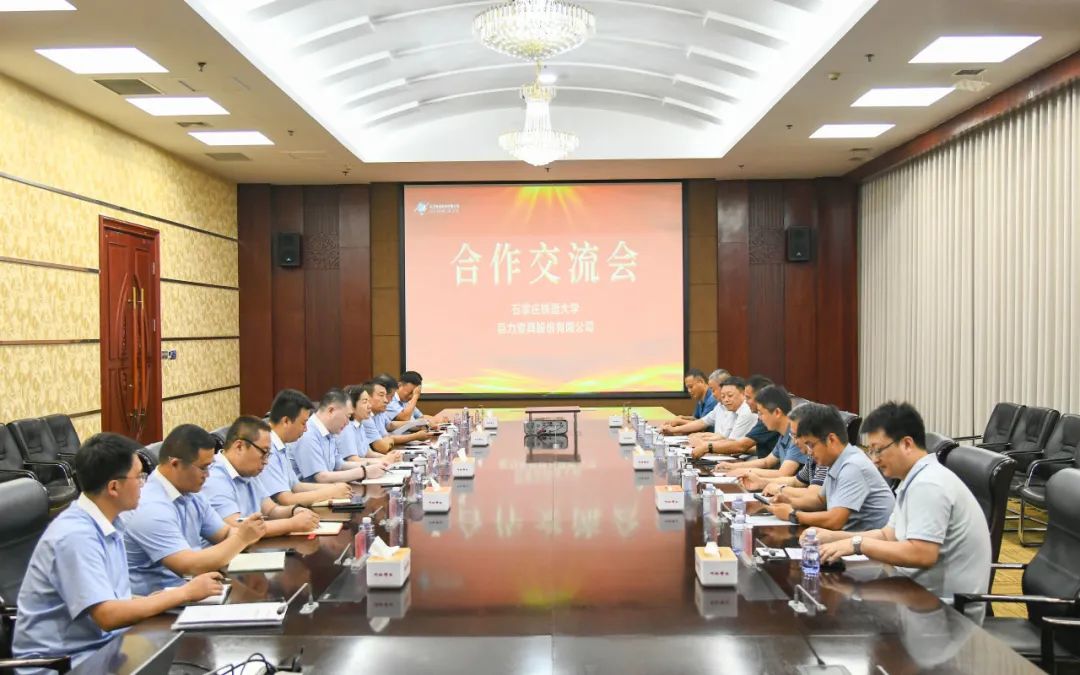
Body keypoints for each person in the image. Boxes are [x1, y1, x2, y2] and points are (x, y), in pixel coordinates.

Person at [12, 434, 223, 672]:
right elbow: (108, 616)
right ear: (114, 487)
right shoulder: (75, 536)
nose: (144, 484)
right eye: (139, 477)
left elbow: (114, 597)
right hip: (65, 663)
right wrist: (184, 593)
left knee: (192, 654)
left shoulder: (109, 523)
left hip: (105, 648)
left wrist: (163, 598)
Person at [814, 402, 991, 615]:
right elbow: (888, 535)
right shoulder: (915, 478)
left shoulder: (929, 484)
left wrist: (857, 544)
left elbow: (922, 554)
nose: (874, 460)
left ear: (907, 444)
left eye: (878, 450)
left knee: (844, 611)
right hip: (915, 594)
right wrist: (833, 538)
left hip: (944, 613)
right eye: (870, 451)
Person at [123, 424, 267, 595]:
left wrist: (246, 532)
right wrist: (242, 538)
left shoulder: (192, 493)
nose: (208, 475)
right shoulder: (151, 507)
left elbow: (224, 534)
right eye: (203, 468)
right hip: (159, 603)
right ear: (175, 464)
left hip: (193, 590)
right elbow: (189, 567)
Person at [766, 403, 895, 531]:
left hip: (864, 541)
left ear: (831, 440)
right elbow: (820, 501)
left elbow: (835, 520)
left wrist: (793, 515)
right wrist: (789, 502)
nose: (809, 452)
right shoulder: (836, 461)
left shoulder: (853, 466)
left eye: (811, 445)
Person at [202, 415, 321, 536]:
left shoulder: (248, 471)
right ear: (239, 447)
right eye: (264, 452)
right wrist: (291, 524)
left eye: (268, 454)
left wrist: (294, 510)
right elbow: (237, 527)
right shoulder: (213, 477)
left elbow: (271, 510)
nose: (266, 462)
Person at [260, 388, 357, 507]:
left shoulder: (281, 446)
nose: (306, 429)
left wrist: (335, 487)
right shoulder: (268, 448)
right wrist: (330, 492)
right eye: (303, 423)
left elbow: (296, 486)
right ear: (286, 421)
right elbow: (286, 499)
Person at [288, 388, 379, 483]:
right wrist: (363, 472)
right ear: (331, 410)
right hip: (311, 490)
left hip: (327, 488)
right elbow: (320, 477)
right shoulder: (308, 434)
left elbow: (339, 465)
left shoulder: (329, 433)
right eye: (347, 416)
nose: (348, 423)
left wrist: (370, 465)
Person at [715, 385, 807, 477]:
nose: (759, 417)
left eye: (761, 413)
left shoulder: (796, 436)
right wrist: (732, 466)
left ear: (777, 412)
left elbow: (783, 473)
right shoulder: (783, 435)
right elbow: (767, 461)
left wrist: (744, 472)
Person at [689, 375, 780, 459]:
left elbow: (740, 446)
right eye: (723, 396)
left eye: (748, 398)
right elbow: (750, 448)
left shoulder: (766, 416)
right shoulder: (758, 415)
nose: (746, 401)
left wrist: (707, 446)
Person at [670, 375, 757, 441]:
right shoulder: (728, 408)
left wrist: (705, 442)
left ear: (743, 394)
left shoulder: (746, 411)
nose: (726, 400)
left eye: (730, 395)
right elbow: (722, 435)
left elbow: (731, 442)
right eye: (723, 396)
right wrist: (703, 436)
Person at [339, 384, 400, 465]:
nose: (369, 406)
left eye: (369, 401)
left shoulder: (360, 425)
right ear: (351, 406)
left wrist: (389, 457)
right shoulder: (346, 427)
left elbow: (368, 453)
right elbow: (353, 460)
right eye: (365, 402)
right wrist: (384, 460)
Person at [662, 369, 728, 434]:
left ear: (701, 382)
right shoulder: (718, 406)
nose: (689, 391)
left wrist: (679, 422)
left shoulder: (713, 400)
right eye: (687, 388)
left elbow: (702, 426)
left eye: (691, 387)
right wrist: (681, 419)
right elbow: (700, 421)